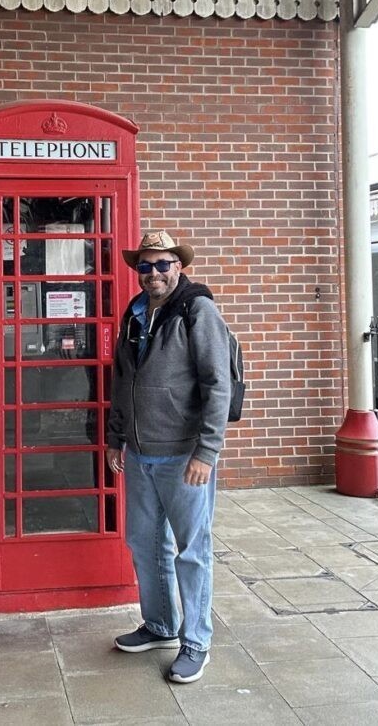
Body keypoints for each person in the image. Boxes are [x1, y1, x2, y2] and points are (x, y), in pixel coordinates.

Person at [106, 230, 231, 684]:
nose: (153, 273)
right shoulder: (135, 313)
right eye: (145, 265)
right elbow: (122, 381)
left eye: (162, 264)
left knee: (192, 551)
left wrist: (207, 450)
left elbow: (219, 384)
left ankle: (196, 642)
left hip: (184, 456)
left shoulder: (198, 310)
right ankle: (159, 625)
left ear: (179, 266)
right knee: (144, 543)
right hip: (139, 453)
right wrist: (115, 437)